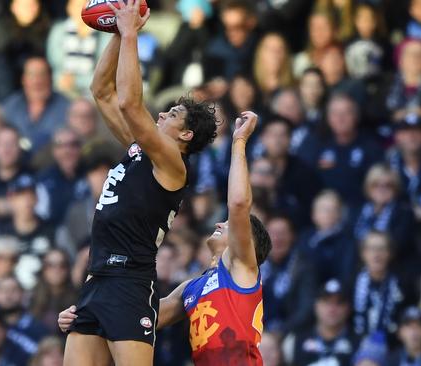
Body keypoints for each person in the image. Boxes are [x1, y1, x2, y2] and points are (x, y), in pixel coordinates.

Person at [63, 0, 218, 364]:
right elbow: (101, 92)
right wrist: (117, 33)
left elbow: (132, 104)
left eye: (173, 115)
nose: (161, 113)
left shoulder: (172, 164)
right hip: (96, 278)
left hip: (131, 284)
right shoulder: (140, 151)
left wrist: (132, 32)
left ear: (186, 135)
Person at [60, 111, 270, 365]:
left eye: (229, 226)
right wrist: (85, 313)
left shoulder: (243, 271)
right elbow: (138, 317)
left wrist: (239, 142)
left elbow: (237, 204)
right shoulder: (192, 289)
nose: (219, 223)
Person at [282, 279, 359, 366]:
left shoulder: (361, 344)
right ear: (316, 305)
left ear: (348, 308)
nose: (332, 309)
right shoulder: (294, 341)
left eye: (339, 303)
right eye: (326, 302)